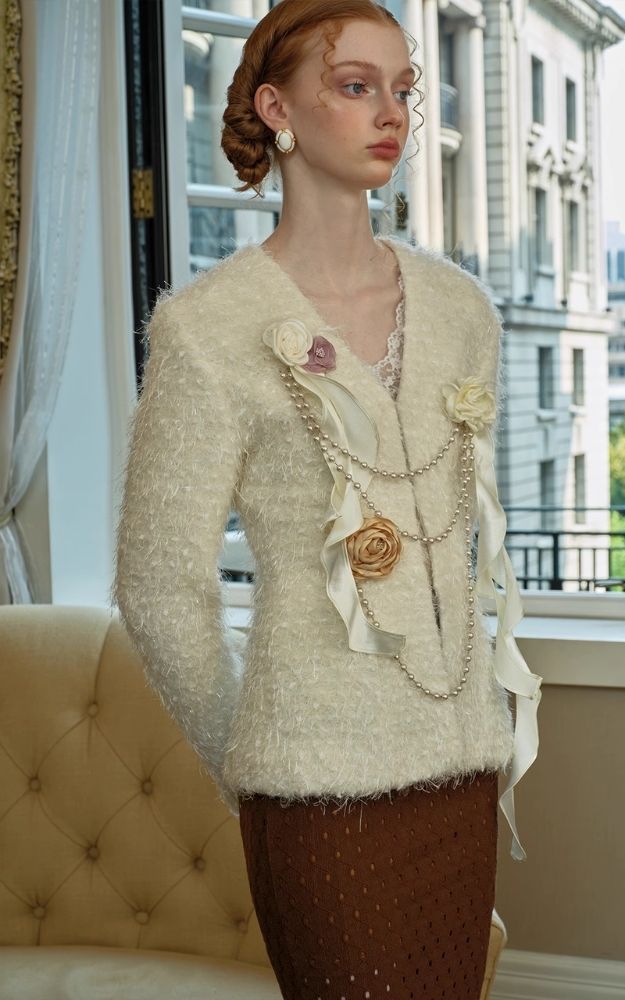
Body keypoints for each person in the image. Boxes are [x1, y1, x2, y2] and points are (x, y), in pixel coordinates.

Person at [112, 1, 543, 997]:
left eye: (404, 89)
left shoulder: (462, 311)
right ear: (279, 109)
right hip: (313, 791)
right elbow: (158, 583)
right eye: (356, 86)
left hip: (461, 774)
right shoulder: (207, 329)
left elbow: (456, 539)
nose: (393, 112)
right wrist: (251, 745)